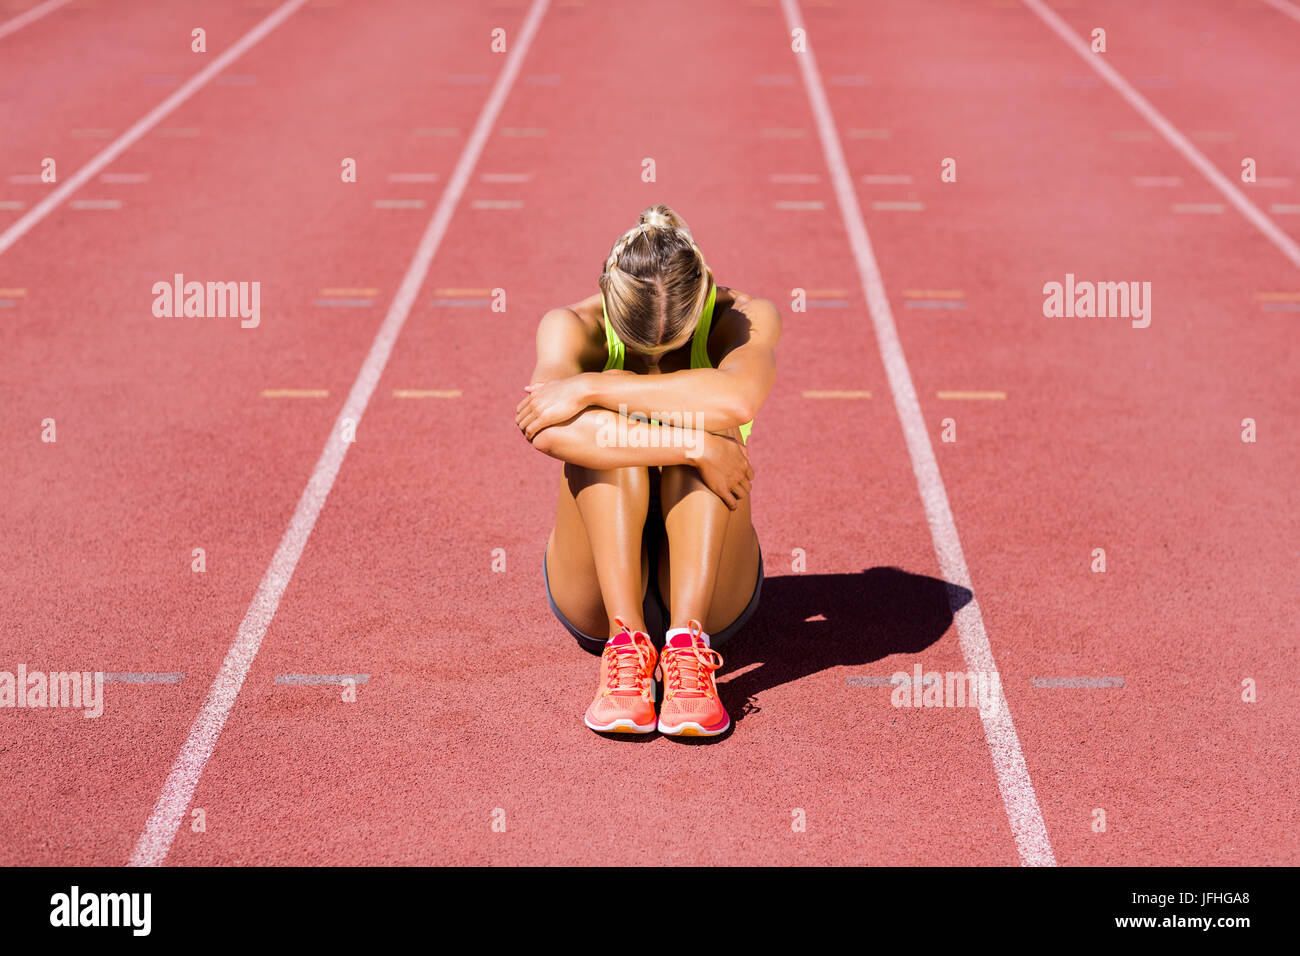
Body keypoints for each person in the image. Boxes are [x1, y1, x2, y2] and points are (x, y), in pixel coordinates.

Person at [516, 205, 780, 736]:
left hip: (714, 583)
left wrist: (592, 388)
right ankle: (626, 647)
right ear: (609, 302)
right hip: (597, 580)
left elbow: (739, 398)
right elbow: (543, 427)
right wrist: (689, 445)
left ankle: (687, 646)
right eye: (639, 348)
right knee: (611, 450)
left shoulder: (745, 316)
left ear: (703, 296)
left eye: (676, 346)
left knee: (713, 429)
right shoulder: (570, 326)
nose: (656, 359)